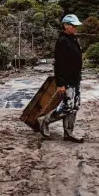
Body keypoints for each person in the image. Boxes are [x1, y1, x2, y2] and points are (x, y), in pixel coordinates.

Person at [38, 14, 84, 143]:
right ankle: (45, 120)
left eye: (76, 26)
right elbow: (58, 65)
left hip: (75, 80)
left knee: (75, 106)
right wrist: (60, 84)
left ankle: (68, 133)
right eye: (73, 26)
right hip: (67, 81)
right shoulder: (62, 41)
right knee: (67, 106)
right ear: (65, 26)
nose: (75, 28)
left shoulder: (73, 39)